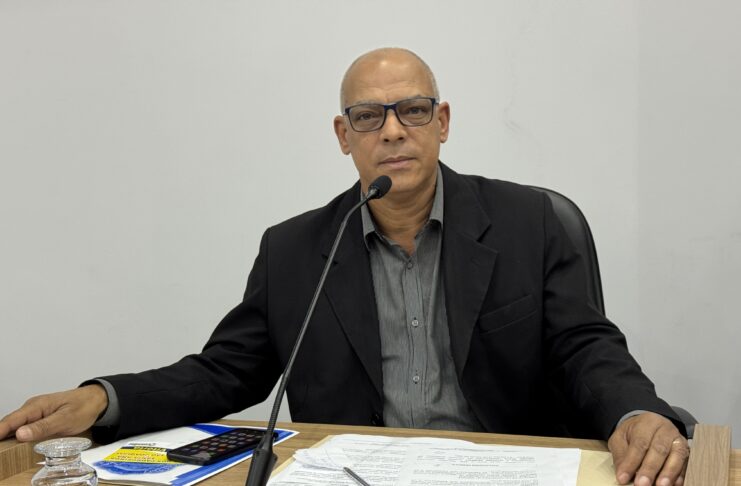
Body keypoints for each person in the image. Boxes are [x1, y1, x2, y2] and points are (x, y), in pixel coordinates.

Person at [1, 48, 688, 486]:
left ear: (442, 121)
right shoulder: (295, 249)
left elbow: (584, 346)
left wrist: (635, 410)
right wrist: (104, 399)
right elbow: (225, 372)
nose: (392, 130)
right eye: (368, 116)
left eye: (412, 110)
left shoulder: (526, 222)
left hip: (500, 472)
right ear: (344, 135)